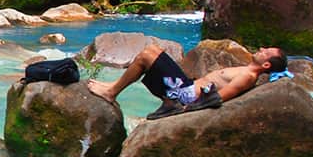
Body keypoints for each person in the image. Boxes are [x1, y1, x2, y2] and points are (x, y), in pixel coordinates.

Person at [86, 44, 287, 116]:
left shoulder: (248, 76)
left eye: (265, 52)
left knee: (148, 55)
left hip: (186, 95)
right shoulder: (246, 70)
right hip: (187, 87)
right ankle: (114, 87)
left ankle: (112, 92)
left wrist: (185, 109)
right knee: (154, 50)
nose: (261, 50)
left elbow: (218, 98)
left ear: (267, 65)